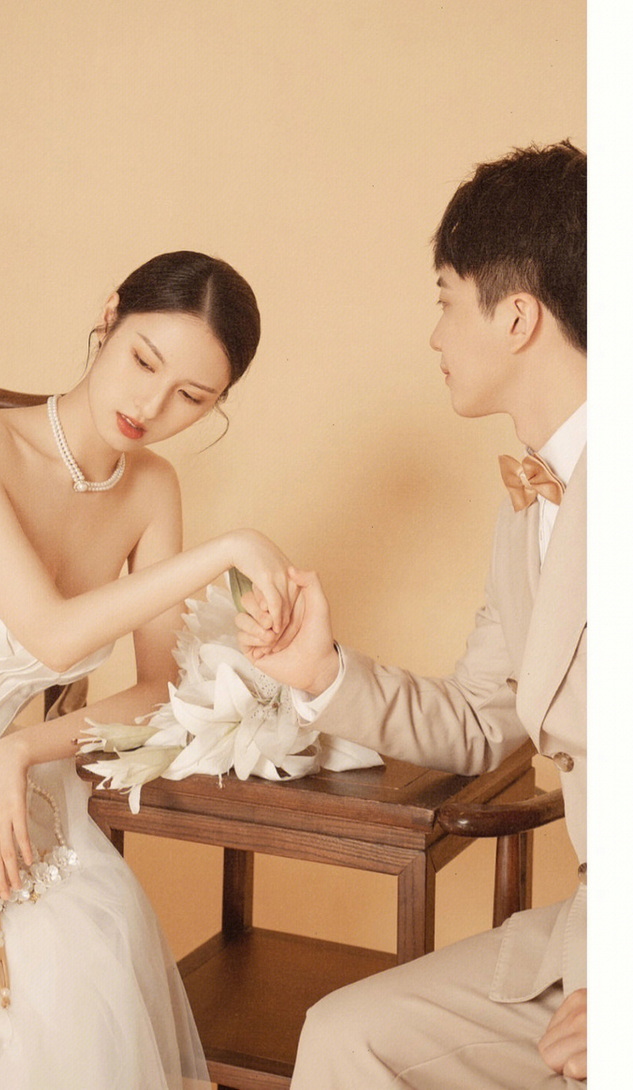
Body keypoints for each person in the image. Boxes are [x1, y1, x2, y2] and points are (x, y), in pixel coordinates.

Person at [0, 250, 299, 1089]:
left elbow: (158, 693)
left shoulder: (151, 488)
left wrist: (21, 750)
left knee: (78, 986)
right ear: (108, 316)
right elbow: (55, 637)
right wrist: (232, 548)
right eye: (144, 360)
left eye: (192, 397)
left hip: (4, 776)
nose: (151, 406)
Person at [236, 142, 587, 1088]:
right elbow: (482, 720)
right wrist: (321, 674)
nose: (434, 336)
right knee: (344, 1034)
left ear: (515, 316)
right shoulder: (527, 511)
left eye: (444, 299)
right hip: (587, 932)